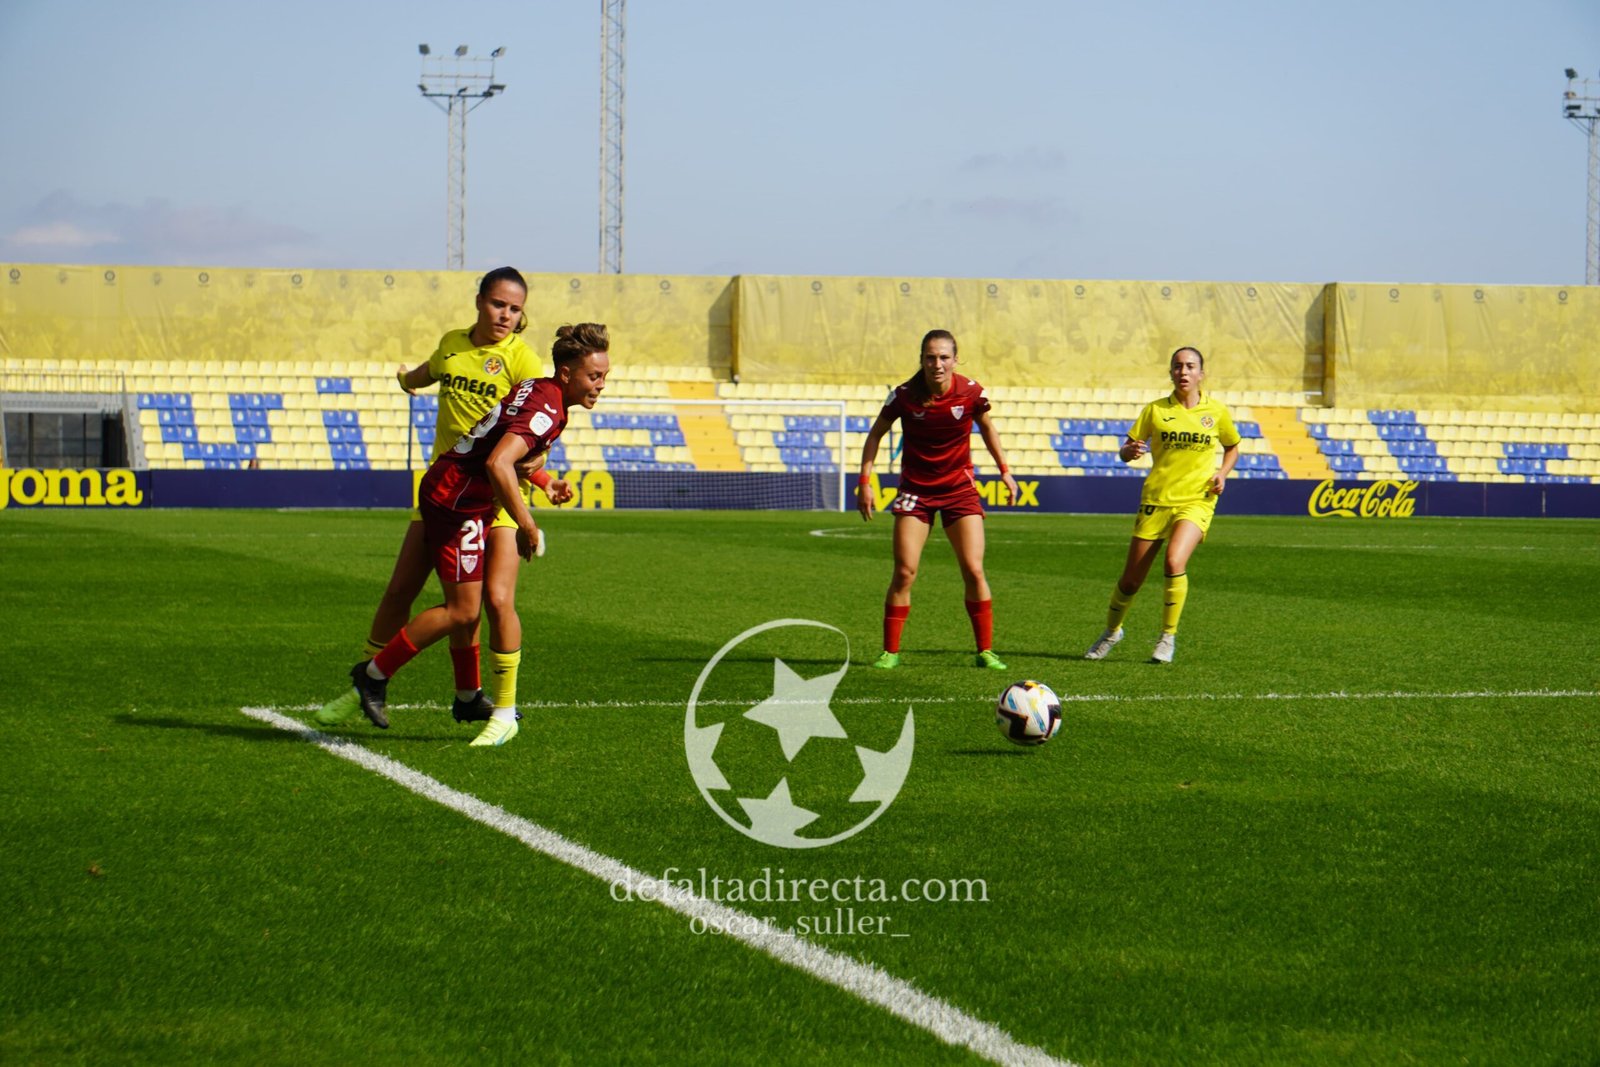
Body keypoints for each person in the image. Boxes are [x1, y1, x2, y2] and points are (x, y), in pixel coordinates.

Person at [318, 324, 611, 746]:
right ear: (566, 374)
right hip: (459, 502)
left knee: (466, 604)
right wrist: (528, 524)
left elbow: (498, 443)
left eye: (604, 376)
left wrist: (541, 474)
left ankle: (467, 697)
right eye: (594, 376)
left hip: (451, 489)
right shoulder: (548, 407)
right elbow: (497, 464)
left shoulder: (539, 389)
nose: (601, 385)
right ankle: (372, 676)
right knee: (462, 611)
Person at [362, 267, 560, 726]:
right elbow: (426, 372)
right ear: (479, 301)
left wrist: (542, 472)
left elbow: (539, 423)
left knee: (490, 601)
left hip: (495, 501)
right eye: (498, 304)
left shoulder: (523, 360)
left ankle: (490, 701)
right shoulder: (452, 343)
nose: (506, 315)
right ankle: (380, 679)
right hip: (448, 491)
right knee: (402, 590)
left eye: (515, 309)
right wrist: (405, 380)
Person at [857, 329, 1019, 670]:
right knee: (904, 572)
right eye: (930, 357)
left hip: (959, 490)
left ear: (955, 360)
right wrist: (865, 481)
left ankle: (985, 651)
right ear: (922, 360)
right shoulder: (903, 395)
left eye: (944, 357)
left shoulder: (971, 392)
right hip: (916, 492)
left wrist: (1004, 470)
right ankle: (890, 651)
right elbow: (875, 435)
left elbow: (988, 428)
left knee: (974, 569)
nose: (937, 364)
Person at [1083, 345, 1240, 664]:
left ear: (1201, 373)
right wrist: (1128, 453)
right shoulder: (1155, 410)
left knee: (1173, 562)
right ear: (1171, 372)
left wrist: (1222, 473)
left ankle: (1167, 638)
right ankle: (1112, 631)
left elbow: (1233, 446)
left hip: (1197, 500)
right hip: (1156, 500)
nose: (1184, 371)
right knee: (1131, 580)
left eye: (1190, 366)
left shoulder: (1217, 412)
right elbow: (1127, 449)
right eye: (1178, 366)